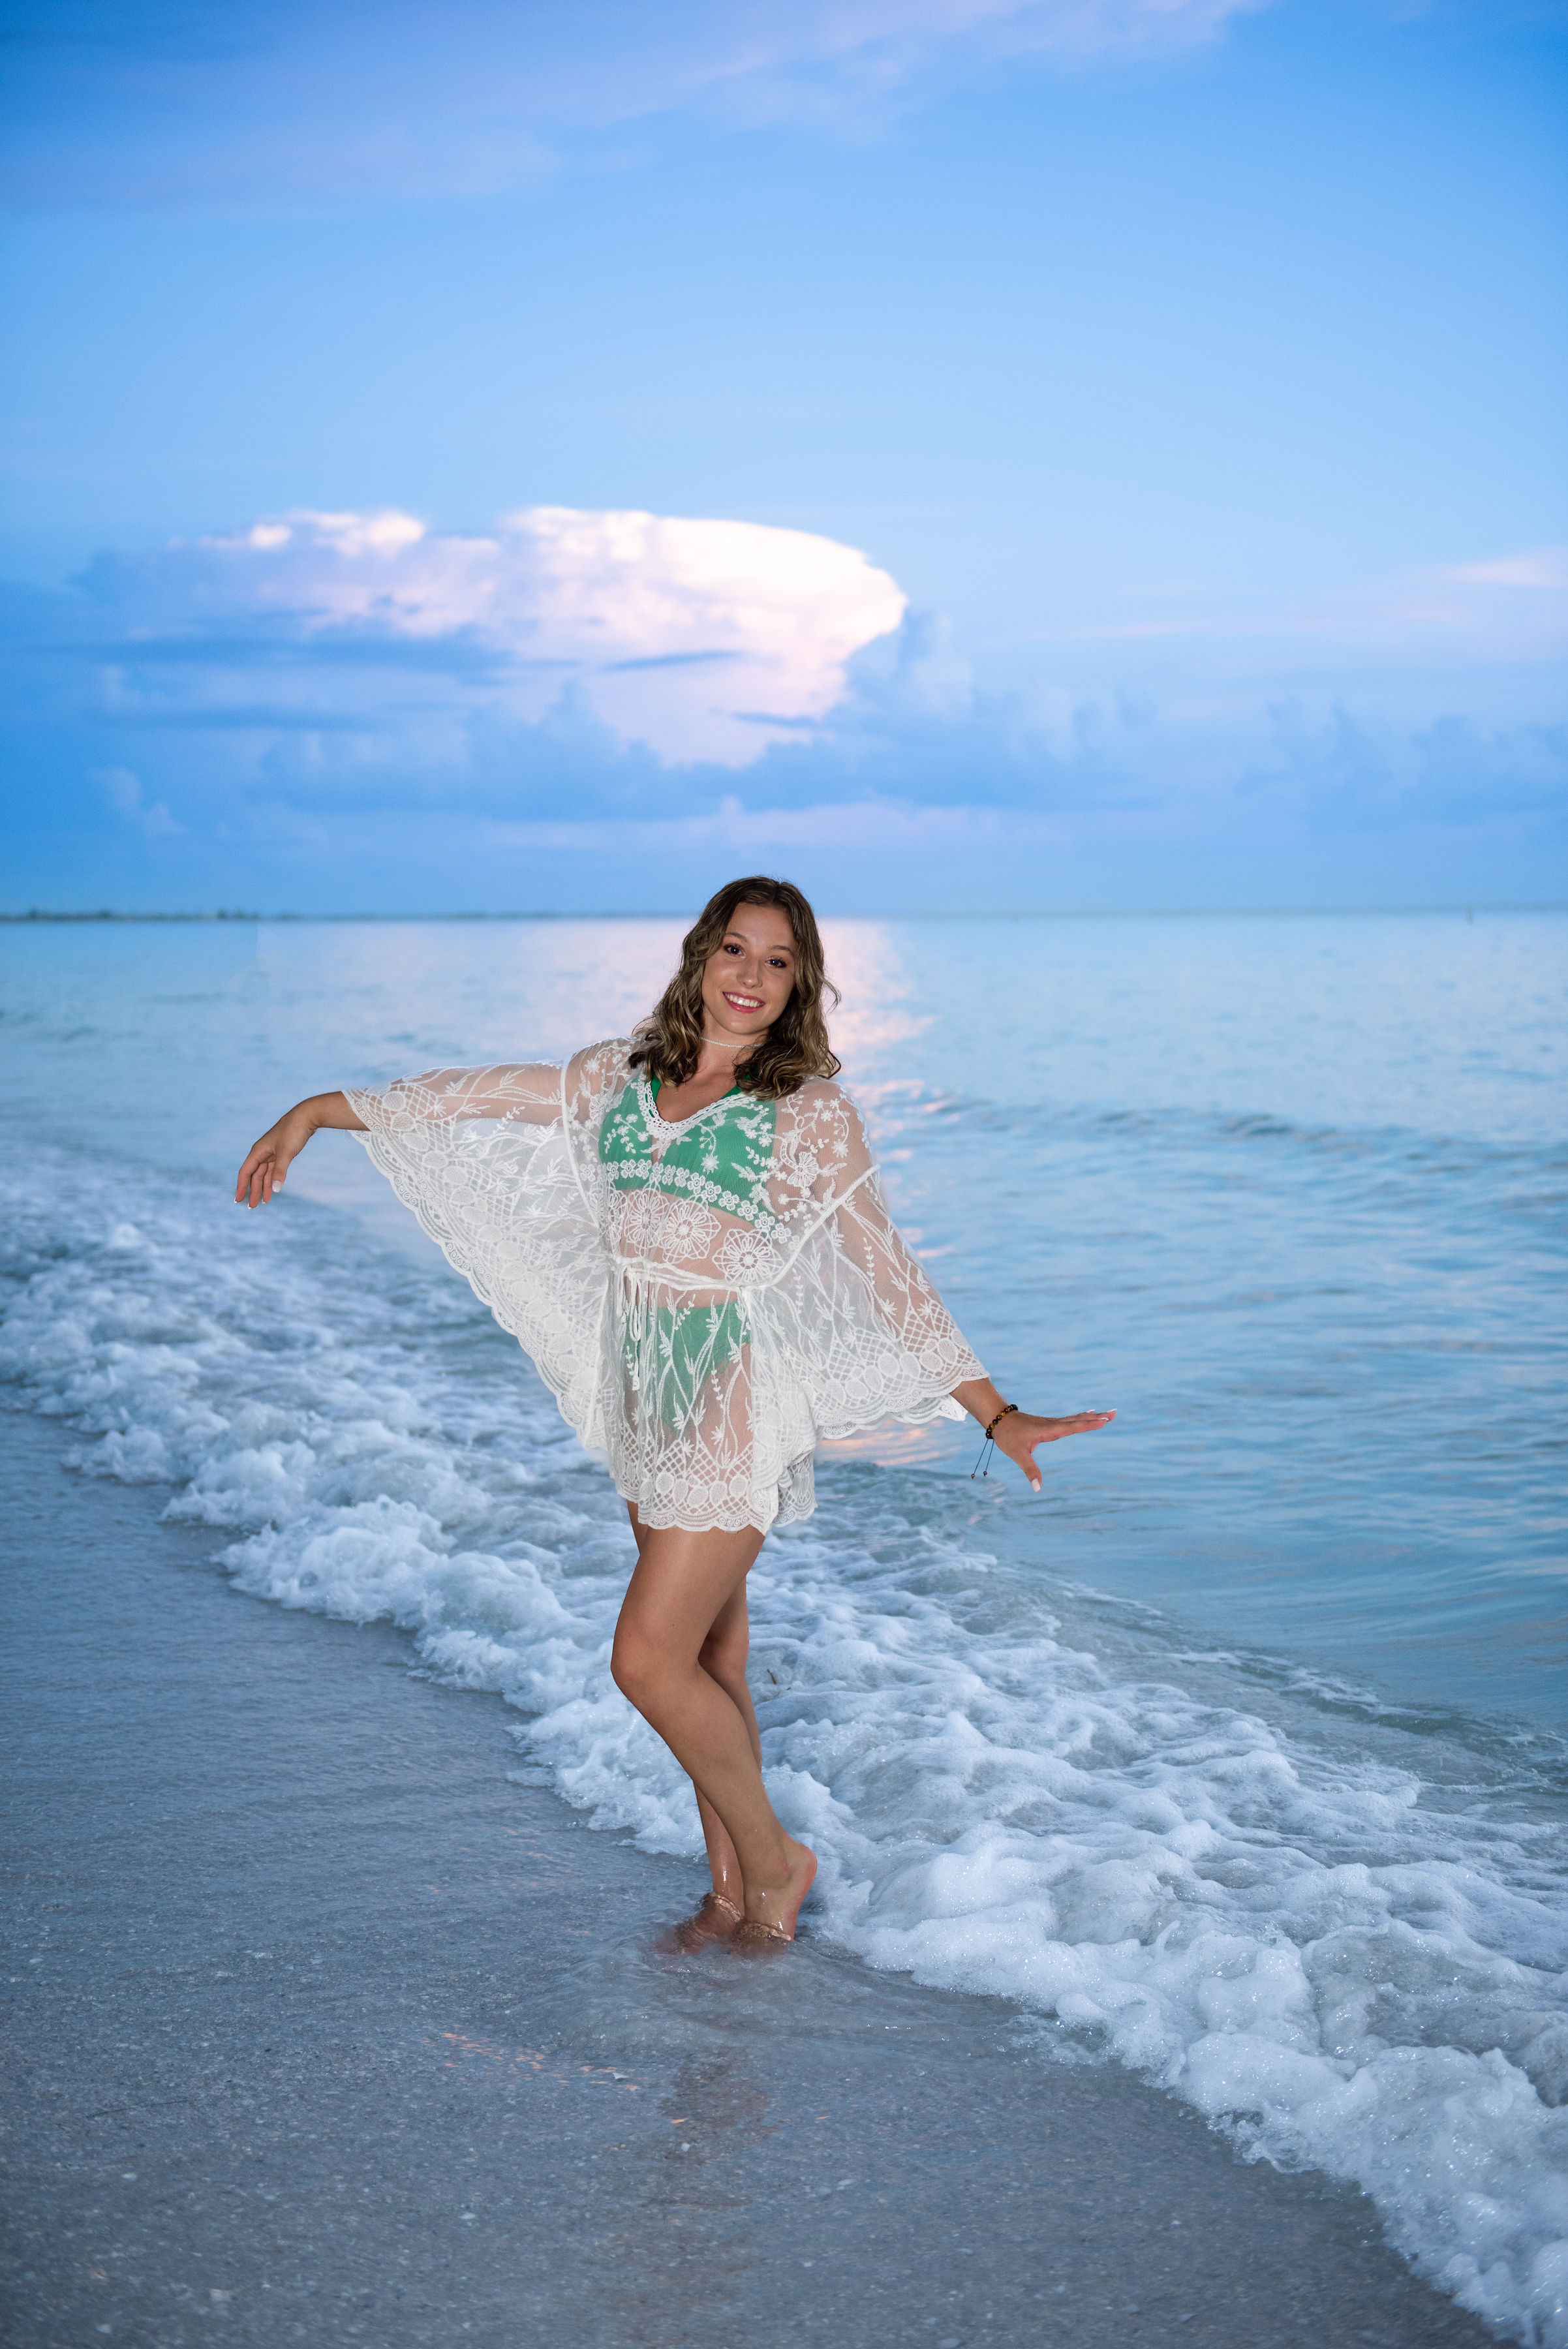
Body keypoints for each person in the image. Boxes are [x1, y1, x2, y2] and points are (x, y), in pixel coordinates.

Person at [235, 876, 1113, 1951]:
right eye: (736, 949)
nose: (752, 976)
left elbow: (890, 1277)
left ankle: (778, 1866)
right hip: (645, 1398)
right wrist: (320, 1110)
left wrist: (996, 1413)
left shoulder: (808, 1114)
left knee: (646, 1661)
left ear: (801, 984)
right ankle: (732, 1893)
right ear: (702, 954)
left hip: (732, 1402)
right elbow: (482, 1096)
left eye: (778, 961)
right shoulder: (618, 1076)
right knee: (709, 1664)